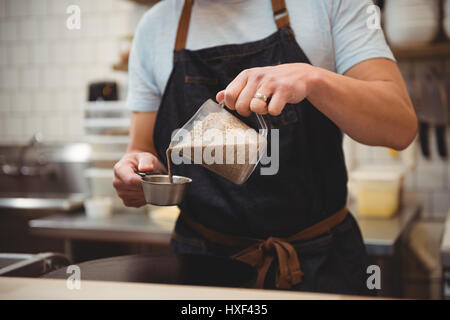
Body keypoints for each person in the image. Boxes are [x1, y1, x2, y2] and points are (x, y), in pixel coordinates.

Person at [113, 0, 417, 295]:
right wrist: (136, 168)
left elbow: (400, 126)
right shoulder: (155, 26)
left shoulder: (329, 4)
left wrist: (314, 79)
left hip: (320, 265)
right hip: (202, 269)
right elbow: (143, 148)